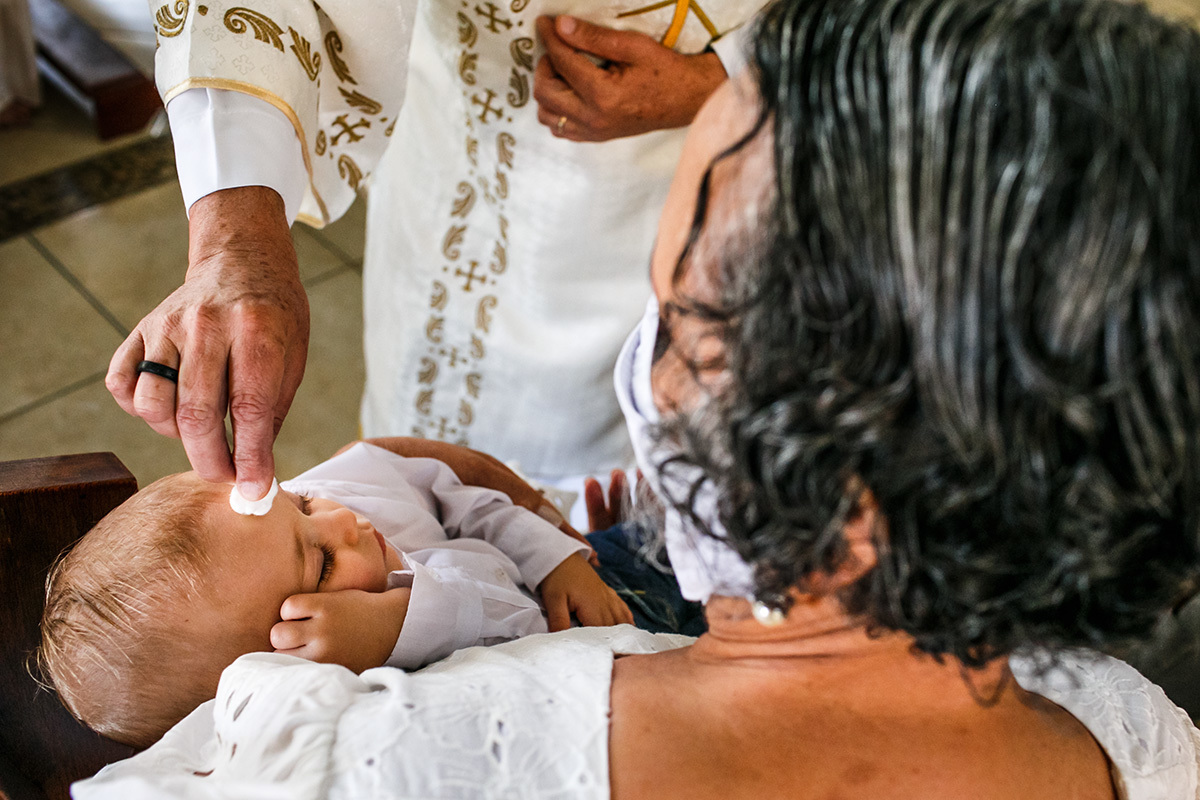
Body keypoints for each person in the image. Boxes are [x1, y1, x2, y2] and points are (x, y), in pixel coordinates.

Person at [73, 0, 1200, 797]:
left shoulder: (355, 756)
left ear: (847, 500)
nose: (641, 367)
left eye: (675, 325)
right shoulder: (1140, 739)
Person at [107, 0, 768, 520]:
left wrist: (729, 80)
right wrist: (235, 240)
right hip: (447, 133)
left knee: (619, 469)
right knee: (412, 431)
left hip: (680, 175)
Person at [38, 438, 635, 747]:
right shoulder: (383, 697)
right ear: (289, 665)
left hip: (578, 568)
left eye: (300, 503)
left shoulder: (340, 494)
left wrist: (556, 559)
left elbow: (459, 492)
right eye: (322, 564)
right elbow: (529, 637)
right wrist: (398, 627)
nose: (342, 520)